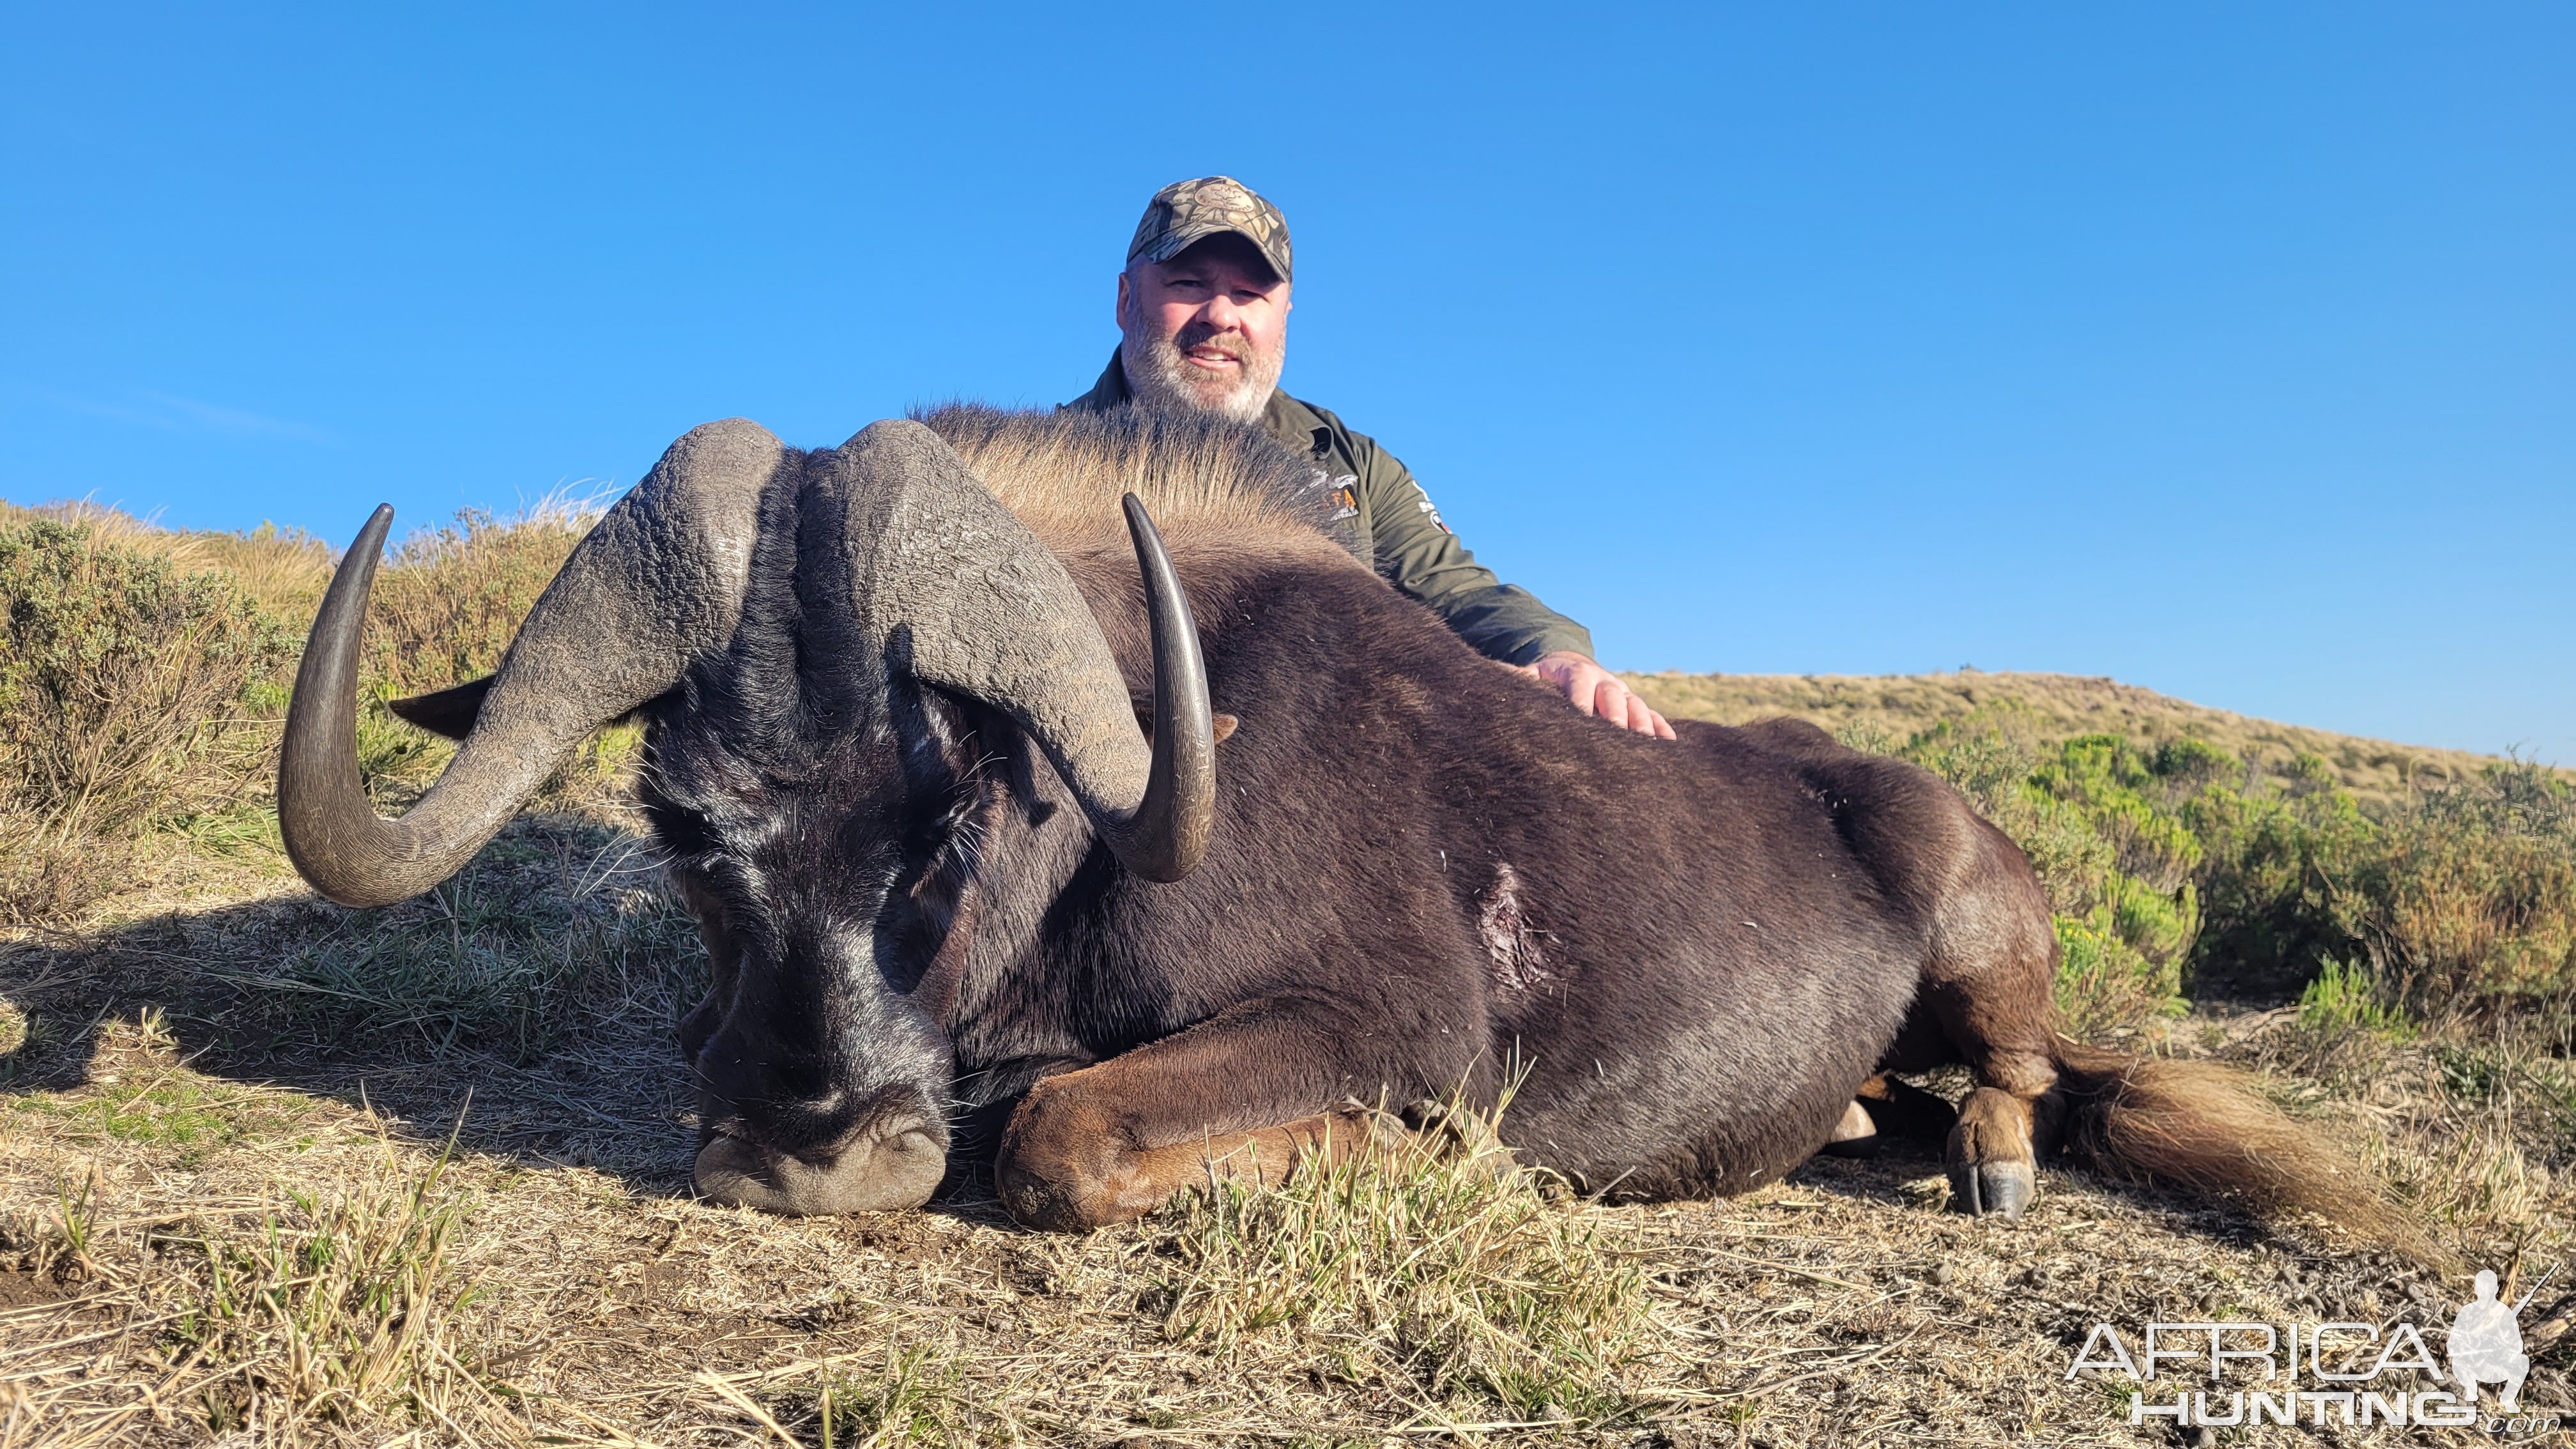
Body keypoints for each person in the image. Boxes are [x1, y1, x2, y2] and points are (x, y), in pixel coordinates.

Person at [1065, 176, 1673, 739]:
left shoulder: (1353, 465)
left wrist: (1556, 653)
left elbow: (1454, 587)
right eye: (1188, 284)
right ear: (1125, 300)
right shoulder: (1042, 465)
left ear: (1283, 322)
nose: (1221, 315)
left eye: (1250, 294)